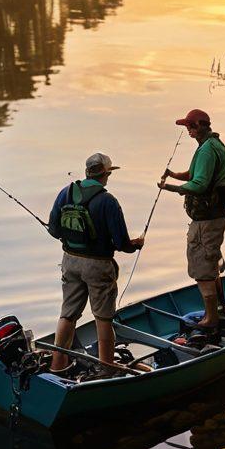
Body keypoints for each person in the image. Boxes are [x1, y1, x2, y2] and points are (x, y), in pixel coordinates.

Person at [47, 152, 143, 374]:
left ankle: (57, 364)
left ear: (87, 172)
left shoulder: (66, 192)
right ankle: (107, 366)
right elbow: (121, 243)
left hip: (69, 262)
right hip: (98, 265)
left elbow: (53, 230)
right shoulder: (108, 201)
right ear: (106, 174)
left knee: (68, 314)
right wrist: (136, 244)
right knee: (103, 316)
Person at [158, 110, 225, 340]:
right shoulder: (209, 145)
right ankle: (219, 311)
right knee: (209, 265)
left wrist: (170, 188)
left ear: (202, 125)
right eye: (186, 126)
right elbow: (193, 174)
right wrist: (172, 175)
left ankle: (211, 318)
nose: (188, 129)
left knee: (202, 267)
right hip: (213, 217)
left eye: (191, 125)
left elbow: (199, 185)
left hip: (207, 221)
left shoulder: (208, 150)